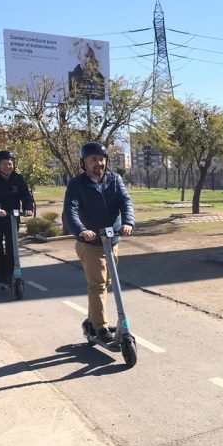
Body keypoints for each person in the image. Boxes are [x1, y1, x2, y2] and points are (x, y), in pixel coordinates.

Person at [63, 142, 134, 343]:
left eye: (102, 159)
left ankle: (91, 322)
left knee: (108, 283)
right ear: (83, 163)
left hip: (112, 239)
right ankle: (100, 328)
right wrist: (81, 230)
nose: (99, 163)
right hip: (91, 242)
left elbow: (125, 201)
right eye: (93, 159)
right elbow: (71, 210)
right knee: (98, 285)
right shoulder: (77, 184)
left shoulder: (115, 179)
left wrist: (128, 222)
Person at [0, 150, 34, 284]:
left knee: (12, 247)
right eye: (4, 164)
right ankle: (1, 272)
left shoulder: (18, 179)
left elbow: (26, 195)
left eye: (9, 164)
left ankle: (11, 273)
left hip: (12, 217)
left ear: (13, 164)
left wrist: (27, 208)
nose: (7, 166)